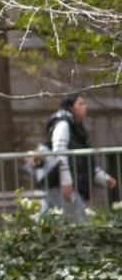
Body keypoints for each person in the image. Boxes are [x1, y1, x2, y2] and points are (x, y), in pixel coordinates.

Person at [34, 94, 115, 222]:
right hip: (63, 185)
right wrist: (66, 183)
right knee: (81, 227)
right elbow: (59, 153)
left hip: (64, 185)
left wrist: (103, 177)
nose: (85, 107)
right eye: (81, 104)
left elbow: (83, 160)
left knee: (46, 225)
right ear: (71, 107)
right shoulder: (64, 125)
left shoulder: (75, 127)